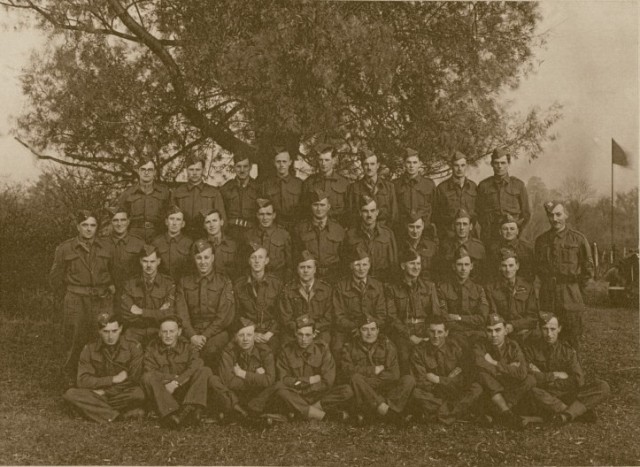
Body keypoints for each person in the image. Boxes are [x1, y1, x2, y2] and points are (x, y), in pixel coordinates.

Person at [49, 210, 115, 384]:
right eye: (85, 225)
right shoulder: (65, 248)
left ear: (97, 227)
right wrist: (66, 298)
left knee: (101, 337)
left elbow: (115, 272)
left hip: (101, 300)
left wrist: (109, 288)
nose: (89, 229)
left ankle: (97, 376)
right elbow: (55, 278)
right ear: (78, 226)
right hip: (75, 300)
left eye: (93, 225)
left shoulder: (107, 247)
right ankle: (70, 376)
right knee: (74, 338)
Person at [523, 312, 610, 424]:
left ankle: (565, 414)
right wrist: (555, 375)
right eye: (545, 329)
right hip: (545, 393)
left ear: (559, 328)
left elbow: (578, 380)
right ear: (540, 329)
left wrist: (547, 380)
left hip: (566, 393)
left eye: (553, 329)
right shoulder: (531, 349)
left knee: (603, 386)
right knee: (531, 390)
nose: (549, 334)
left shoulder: (567, 350)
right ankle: (575, 412)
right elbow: (526, 374)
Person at [535, 200, 594, 353]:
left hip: (570, 294)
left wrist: (578, 291)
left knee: (572, 336)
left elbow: (588, 270)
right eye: (551, 215)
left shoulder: (578, 239)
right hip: (548, 295)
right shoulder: (541, 241)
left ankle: (573, 366)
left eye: (558, 214)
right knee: (548, 335)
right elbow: (538, 270)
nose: (555, 219)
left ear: (566, 215)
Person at [63, 313, 145, 423]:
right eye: (106, 332)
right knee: (71, 394)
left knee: (138, 393)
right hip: (97, 394)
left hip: (119, 393)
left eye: (114, 331)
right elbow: (82, 381)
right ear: (99, 331)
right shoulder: (89, 348)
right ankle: (118, 416)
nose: (110, 336)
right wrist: (112, 379)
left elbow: (133, 379)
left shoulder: (133, 347)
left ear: (120, 329)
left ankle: (95, 410)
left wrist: (106, 392)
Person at [336, 315, 415, 422]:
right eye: (365, 329)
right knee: (355, 378)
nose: (369, 333)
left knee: (409, 380)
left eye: (373, 329)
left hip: (381, 389)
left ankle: (376, 410)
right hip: (362, 391)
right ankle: (390, 413)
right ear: (358, 331)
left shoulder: (388, 345)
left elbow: (394, 374)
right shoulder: (349, 347)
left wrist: (368, 382)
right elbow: (347, 371)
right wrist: (373, 370)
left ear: (378, 330)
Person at [142, 316, 212, 429]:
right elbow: (150, 371)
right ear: (159, 333)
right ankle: (171, 415)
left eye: (172, 331)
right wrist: (173, 378)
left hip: (184, 391)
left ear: (179, 332)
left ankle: (190, 410)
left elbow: (196, 365)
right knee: (147, 377)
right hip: (163, 392)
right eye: (164, 332)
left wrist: (177, 382)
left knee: (204, 370)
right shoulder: (152, 349)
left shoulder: (188, 347)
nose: (168, 335)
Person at [409, 317, 482, 424]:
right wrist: (443, 386)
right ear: (427, 331)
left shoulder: (456, 348)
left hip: (454, 391)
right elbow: (420, 380)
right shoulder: (418, 351)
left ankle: (438, 414)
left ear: (446, 333)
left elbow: (465, 377)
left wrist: (439, 380)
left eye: (440, 332)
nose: (436, 336)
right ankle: (456, 412)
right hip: (434, 394)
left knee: (477, 388)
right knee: (416, 393)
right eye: (432, 331)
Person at [176, 239, 235, 367]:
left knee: (211, 350)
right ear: (194, 259)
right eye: (199, 258)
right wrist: (192, 336)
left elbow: (224, 317)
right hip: (190, 332)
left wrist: (204, 336)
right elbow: (182, 314)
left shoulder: (224, 282)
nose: (203, 262)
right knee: (181, 351)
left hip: (215, 333)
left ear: (212, 258)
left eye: (206, 257)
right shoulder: (184, 282)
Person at [472, 313, 535, 429]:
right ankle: (507, 413)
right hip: (491, 387)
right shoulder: (480, 345)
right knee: (482, 375)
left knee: (530, 379)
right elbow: (479, 364)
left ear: (505, 331)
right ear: (485, 332)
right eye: (489, 331)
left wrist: (495, 363)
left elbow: (521, 373)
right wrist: (508, 369)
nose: (493, 335)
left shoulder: (513, 346)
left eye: (498, 330)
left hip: (507, 387)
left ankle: (499, 412)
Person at [272, 315, 340, 421]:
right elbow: (284, 379)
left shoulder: (322, 349)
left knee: (347, 390)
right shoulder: (286, 350)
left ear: (314, 334)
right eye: (300, 334)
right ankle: (323, 416)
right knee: (281, 391)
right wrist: (309, 380)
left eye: (308, 335)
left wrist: (307, 389)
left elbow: (328, 380)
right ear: (295, 333)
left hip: (317, 393)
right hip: (296, 394)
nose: (304, 339)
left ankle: (302, 411)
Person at [386, 248, 443, 374]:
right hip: (403, 332)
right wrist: (410, 336)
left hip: (425, 330)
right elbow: (392, 318)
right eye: (412, 263)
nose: (416, 267)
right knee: (404, 356)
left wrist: (430, 334)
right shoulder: (392, 288)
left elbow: (435, 314)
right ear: (403, 266)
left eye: (418, 264)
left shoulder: (429, 286)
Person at [208, 318, 277, 421]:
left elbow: (269, 380)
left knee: (277, 385)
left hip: (257, 395)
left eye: (249, 335)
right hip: (235, 394)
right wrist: (257, 378)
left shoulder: (265, 351)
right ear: (235, 337)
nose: (245, 339)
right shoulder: (228, 352)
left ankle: (238, 412)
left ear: (254, 336)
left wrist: (242, 373)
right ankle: (244, 412)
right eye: (241, 335)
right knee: (214, 380)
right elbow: (227, 381)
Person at [332, 246, 387, 357]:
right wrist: (356, 327)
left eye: (364, 264)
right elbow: (339, 316)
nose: (361, 268)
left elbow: (382, 315)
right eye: (357, 265)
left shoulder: (378, 285)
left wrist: (368, 328)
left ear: (369, 265)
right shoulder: (340, 286)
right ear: (351, 266)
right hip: (348, 329)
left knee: (388, 347)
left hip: (372, 328)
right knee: (337, 347)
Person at [120, 244, 176, 346]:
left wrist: (141, 311)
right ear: (140, 261)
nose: (149, 265)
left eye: (152, 261)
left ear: (158, 261)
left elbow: (169, 313)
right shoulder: (130, 284)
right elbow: (126, 314)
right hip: (135, 331)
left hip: (159, 331)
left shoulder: (168, 284)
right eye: (145, 261)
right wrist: (157, 313)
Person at [233, 243, 283, 351]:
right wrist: (251, 333)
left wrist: (270, 333)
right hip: (247, 332)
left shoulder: (277, 284)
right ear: (248, 261)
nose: (257, 261)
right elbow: (236, 314)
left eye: (260, 257)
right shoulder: (239, 285)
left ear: (266, 261)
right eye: (253, 257)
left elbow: (280, 314)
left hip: (270, 333)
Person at [477, 148, 530, 247]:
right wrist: (487, 229)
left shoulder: (518, 185)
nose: (500, 166)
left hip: (513, 236)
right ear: (492, 164)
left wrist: (517, 231)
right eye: (496, 163)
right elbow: (479, 212)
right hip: (491, 237)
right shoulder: (483, 186)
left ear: (508, 164)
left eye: (503, 163)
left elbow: (526, 214)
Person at [485, 248, 538, 345]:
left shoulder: (528, 286)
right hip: (502, 334)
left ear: (517, 266)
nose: (508, 270)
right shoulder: (491, 288)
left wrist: (514, 326)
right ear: (499, 267)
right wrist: (505, 328)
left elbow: (533, 317)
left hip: (524, 332)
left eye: (511, 265)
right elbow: (494, 315)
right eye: (504, 266)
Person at [278, 250, 333, 345]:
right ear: (297, 269)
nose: (306, 270)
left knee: (324, 344)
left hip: (319, 331)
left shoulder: (326, 289)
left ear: (315, 269)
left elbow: (329, 316)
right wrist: (298, 329)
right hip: (296, 331)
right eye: (302, 267)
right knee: (286, 344)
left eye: (309, 267)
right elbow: (285, 317)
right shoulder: (288, 289)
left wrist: (314, 328)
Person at [437, 246, 489, 343]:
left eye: (466, 264)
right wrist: (467, 324)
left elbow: (482, 318)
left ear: (471, 266)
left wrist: (459, 318)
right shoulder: (443, 289)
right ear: (453, 266)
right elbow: (444, 317)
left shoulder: (479, 290)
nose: (463, 268)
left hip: (476, 336)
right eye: (459, 264)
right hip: (453, 335)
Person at [293, 188, 346, 282]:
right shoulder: (300, 229)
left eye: (322, 205)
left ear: (328, 206)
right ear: (310, 206)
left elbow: (343, 256)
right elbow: (295, 255)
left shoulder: (338, 229)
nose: (319, 209)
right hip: (309, 276)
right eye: (315, 205)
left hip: (333, 276)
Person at [171, 154, 226, 238]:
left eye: (198, 169)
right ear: (186, 170)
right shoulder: (177, 192)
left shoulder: (214, 192)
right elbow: (171, 219)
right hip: (183, 238)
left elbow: (222, 220)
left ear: (203, 170)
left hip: (206, 238)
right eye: (191, 169)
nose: (194, 173)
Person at [344, 195, 398, 282]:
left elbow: (393, 264)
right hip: (359, 283)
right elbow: (346, 263)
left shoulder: (387, 234)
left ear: (377, 212)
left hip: (382, 283)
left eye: (372, 211)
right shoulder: (350, 235)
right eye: (365, 211)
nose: (369, 215)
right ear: (360, 213)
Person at [117, 158, 171, 242]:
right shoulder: (128, 193)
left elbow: (171, 215)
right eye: (143, 169)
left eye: (150, 170)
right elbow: (119, 216)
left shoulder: (165, 193)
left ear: (154, 172)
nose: (146, 172)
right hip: (133, 236)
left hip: (158, 236)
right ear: (138, 171)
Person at [103, 206, 145, 309]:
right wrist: (108, 283)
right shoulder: (102, 244)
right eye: (115, 220)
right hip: (109, 291)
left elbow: (145, 268)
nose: (119, 224)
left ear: (128, 222)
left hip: (133, 293)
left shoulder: (139, 243)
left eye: (123, 220)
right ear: (111, 222)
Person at [302, 143, 350, 226]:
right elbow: (304, 208)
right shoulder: (309, 182)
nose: (323, 163)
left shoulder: (344, 182)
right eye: (321, 160)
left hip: (337, 227)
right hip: (314, 227)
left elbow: (349, 210)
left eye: (327, 160)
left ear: (334, 160)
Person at [243, 198, 292, 281]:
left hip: (278, 279)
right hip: (256, 279)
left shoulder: (284, 234)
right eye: (261, 214)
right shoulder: (249, 235)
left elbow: (289, 265)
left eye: (268, 214)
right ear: (257, 215)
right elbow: (244, 262)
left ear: (274, 215)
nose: (265, 218)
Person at [433, 151, 478, 241]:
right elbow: (436, 215)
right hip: (448, 237)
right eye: (456, 165)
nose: (459, 169)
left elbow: (478, 212)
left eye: (462, 165)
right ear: (451, 166)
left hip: (469, 237)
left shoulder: (473, 187)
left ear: (466, 166)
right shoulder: (442, 188)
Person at [347, 149, 397, 226]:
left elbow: (394, 215)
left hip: (384, 229)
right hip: (361, 230)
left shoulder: (389, 187)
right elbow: (351, 215)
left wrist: (385, 231)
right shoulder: (354, 188)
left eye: (372, 164)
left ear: (377, 165)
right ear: (362, 166)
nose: (369, 168)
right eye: (366, 164)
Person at [436, 208, 486, 283]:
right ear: (453, 226)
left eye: (465, 224)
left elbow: (483, 274)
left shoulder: (479, 247)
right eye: (458, 224)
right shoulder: (445, 246)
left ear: (471, 226)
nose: (461, 228)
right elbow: (441, 271)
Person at [259, 146, 303, 232]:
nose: (281, 165)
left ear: (290, 162)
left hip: (295, 228)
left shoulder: (299, 184)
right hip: (273, 228)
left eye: (284, 161)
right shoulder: (266, 184)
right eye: (278, 162)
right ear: (274, 163)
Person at [393, 148, 436, 234]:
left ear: (420, 164)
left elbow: (435, 209)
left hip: (425, 231)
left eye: (415, 162)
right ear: (404, 164)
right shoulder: (395, 185)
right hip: (402, 231)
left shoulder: (429, 184)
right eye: (408, 162)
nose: (411, 166)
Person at [487, 213, 535, 282]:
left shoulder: (526, 248)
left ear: (517, 231)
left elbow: (530, 273)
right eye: (505, 229)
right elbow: (491, 273)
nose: (509, 232)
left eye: (512, 229)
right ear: (500, 231)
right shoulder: (493, 249)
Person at [221, 153, 259, 240]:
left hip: (252, 233)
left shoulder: (258, 188)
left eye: (245, 166)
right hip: (231, 233)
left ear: (250, 167)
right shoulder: (226, 188)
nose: (242, 170)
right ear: (234, 167)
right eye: (238, 166)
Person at [152, 205, 193, 282]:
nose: (174, 223)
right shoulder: (156, 242)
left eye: (178, 219)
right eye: (171, 219)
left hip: (182, 283)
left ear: (183, 224)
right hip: (161, 284)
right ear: (166, 222)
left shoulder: (189, 243)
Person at [199, 208, 240, 280]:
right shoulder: (198, 245)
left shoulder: (233, 245)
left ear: (221, 222)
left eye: (214, 220)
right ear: (204, 226)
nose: (212, 225)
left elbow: (239, 271)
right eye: (208, 222)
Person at [398, 213, 438, 281]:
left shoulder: (431, 246)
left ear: (423, 226)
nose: (415, 231)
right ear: (406, 226)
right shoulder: (400, 245)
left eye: (418, 227)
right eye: (411, 227)